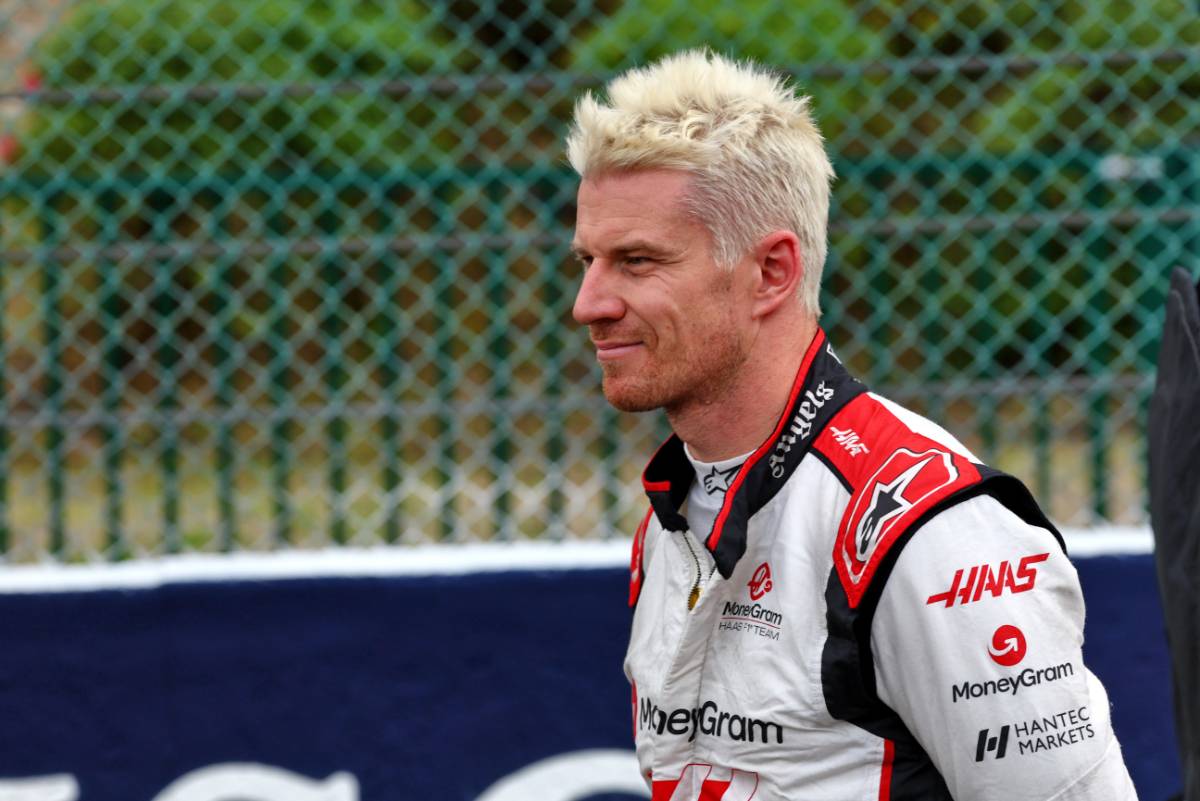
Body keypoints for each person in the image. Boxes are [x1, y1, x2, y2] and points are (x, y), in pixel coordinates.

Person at [567, 49, 1137, 800]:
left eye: (636, 261)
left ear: (772, 272)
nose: (589, 303)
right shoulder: (676, 508)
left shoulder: (933, 535)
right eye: (587, 260)